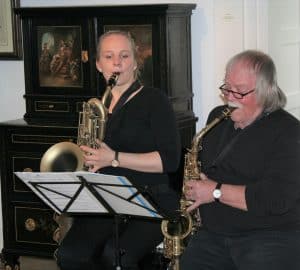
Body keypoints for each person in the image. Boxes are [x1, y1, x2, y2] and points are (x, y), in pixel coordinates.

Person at [56, 30, 181, 270]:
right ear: (98, 64)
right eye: (109, 56)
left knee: (116, 257)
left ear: (135, 62)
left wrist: (112, 158)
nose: (117, 63)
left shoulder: (155, 100)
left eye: (124, 56)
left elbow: (170, 160)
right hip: (105, 199)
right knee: (71, 254)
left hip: (150, 199)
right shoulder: (94, 106)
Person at [180, 50, 300, 270]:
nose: (230, 96)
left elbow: (276, 199)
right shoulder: (217, 118)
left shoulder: (289, 131)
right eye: (227, 87)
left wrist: (214, 192)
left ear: (265, 92)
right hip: (214, 234)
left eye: (241, 91)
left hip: (269, 235)